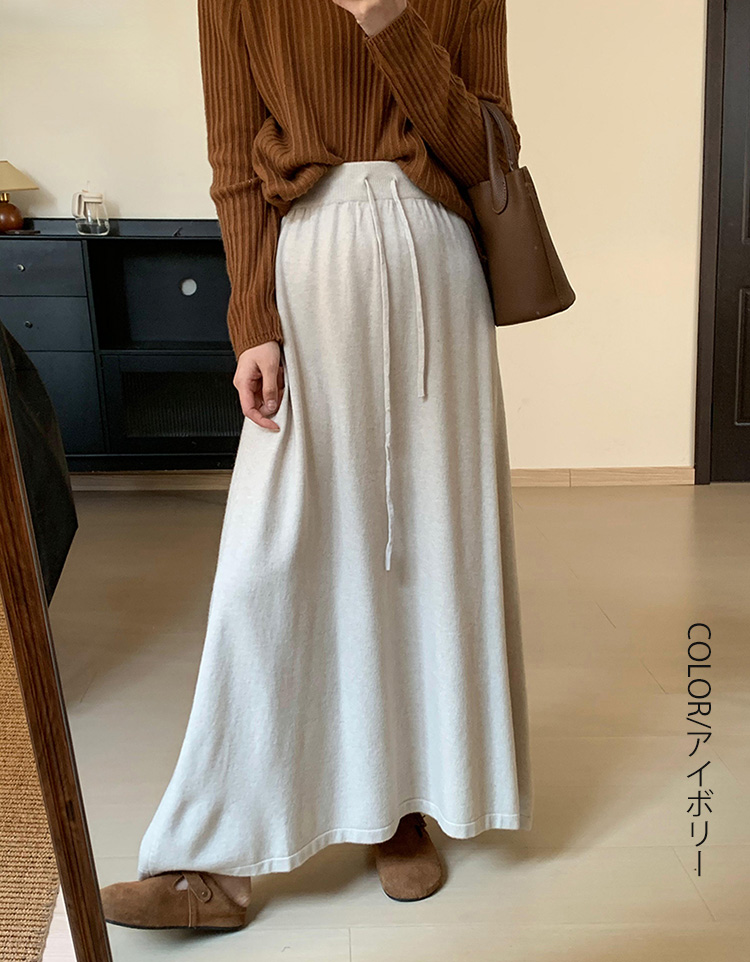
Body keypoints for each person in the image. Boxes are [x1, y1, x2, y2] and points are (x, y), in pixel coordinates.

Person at [101, 0, 533, 931]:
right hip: (311, 269)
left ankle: (403, 805)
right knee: (268, 557)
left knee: (423, 550)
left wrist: (388, 20)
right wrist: (252, 320)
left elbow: (486, 145)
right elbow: (234, 162)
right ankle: (212, 859)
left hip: (437, 271)